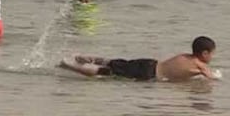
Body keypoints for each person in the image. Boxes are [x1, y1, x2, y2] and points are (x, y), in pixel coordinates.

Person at [60, 36, 217, 82]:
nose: (212, 56)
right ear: (204, 53)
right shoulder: (200, 65)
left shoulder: (185, 55)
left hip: (150, 62)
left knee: (114, 62)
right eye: (212, 53)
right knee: (106, 72)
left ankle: (81, 57)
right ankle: (69, 65)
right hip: (149, 74)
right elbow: (212, 79)